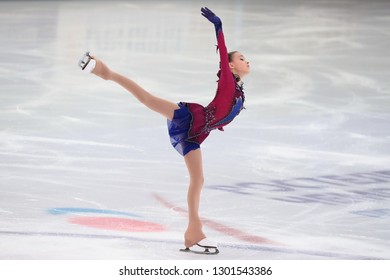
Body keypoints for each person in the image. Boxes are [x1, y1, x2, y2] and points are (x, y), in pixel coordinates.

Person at [78, 7, 250, 254]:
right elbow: (223, 55)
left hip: (197, 133)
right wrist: (218, 27)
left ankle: (193, 234)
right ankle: (104, 71)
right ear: (232, 66)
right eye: (242, 58)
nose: (247, 61)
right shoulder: (227, 79)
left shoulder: (239, 92)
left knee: (198, 179)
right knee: (148, 99)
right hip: (191, 117)